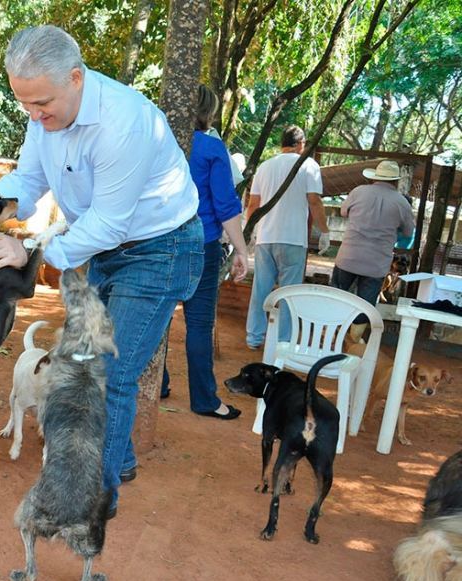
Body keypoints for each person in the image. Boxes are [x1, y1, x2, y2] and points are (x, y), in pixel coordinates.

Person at [0, 25, 203, 517]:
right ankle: (117, 459)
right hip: (103, 244)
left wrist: (31, 252)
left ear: (76, 78)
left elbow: (110, 221)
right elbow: (29, 179)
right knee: (82, 364)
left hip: (161, 248)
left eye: (42, 103)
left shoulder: (124, 122)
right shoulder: (44, 112)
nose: (35, 115)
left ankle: (88, 505)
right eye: (25, 105)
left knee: (107, 374)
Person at [161, 85, 248, 420]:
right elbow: (226, 204)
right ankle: (205, 399)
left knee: (159, 318)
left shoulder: (161, 143)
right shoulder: (212, 147)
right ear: (208, 113)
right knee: (198, 323)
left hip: (160, 243)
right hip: (203, 243)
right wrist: (240, 249)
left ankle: (158, 382)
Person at [244, 125, 330, 350]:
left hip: (266, 236)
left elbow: (253, 204)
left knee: (260, 289)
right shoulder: (309, 165)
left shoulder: (265, 166)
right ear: (301, 144)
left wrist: (249, 230)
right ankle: (283, 341)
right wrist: (324, 231)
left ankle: (254, 337)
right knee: (289, 293)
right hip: (293, 239)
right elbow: (314, 201)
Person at [330, 160, 414, 330]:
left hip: (348, 257)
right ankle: (354, 340)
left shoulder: (358, 192)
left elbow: (343, 211)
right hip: (376, 264)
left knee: (336, 297)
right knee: (365, 306)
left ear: (375, 177)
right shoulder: (402, 203)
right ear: (396, 181)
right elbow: (408, 232)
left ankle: (329, 331)